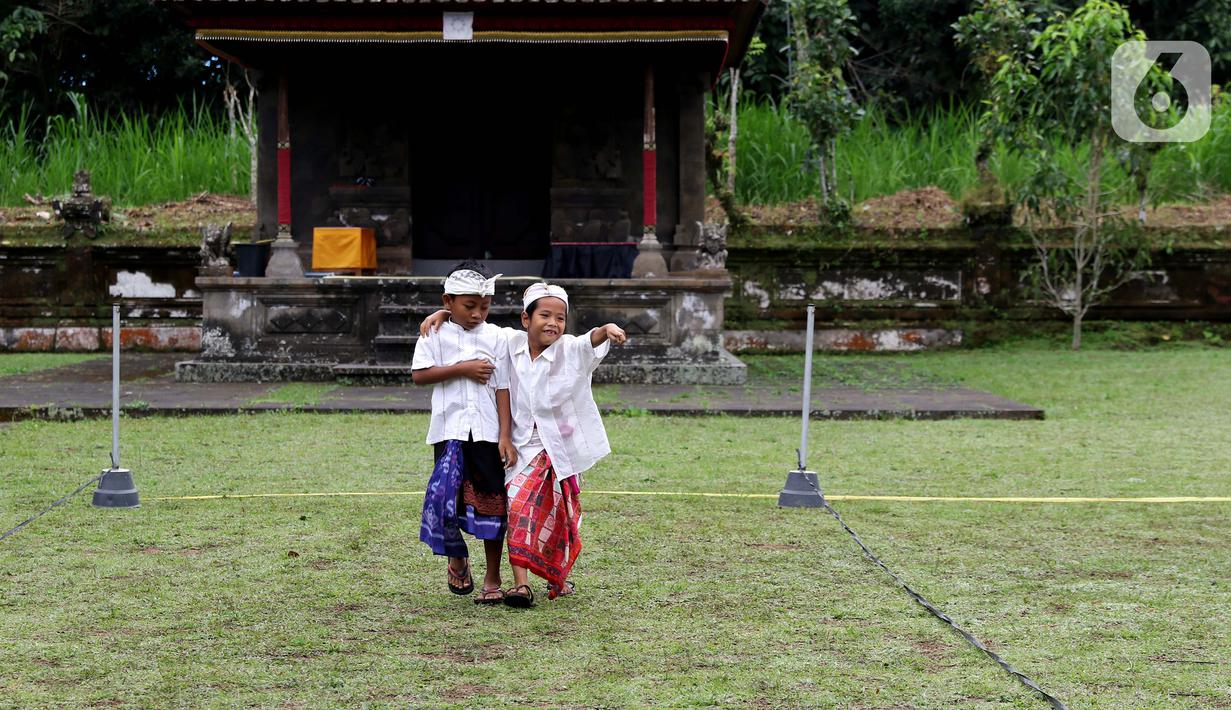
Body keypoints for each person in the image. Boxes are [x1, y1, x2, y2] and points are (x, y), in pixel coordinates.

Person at [421, 282, 627, 608]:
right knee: (517, 506)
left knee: (558, 515)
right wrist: (445, 312)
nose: (553, 324)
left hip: (559, 449)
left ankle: (554, 574)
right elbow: (475, 323)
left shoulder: (568, 349)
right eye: (544, 315)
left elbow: (591, 339)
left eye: (560, 318)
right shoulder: (509, 343)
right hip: (522, 448)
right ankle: (520, 585)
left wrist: (608, 329)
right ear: (525, 320)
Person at [411, 259, 518, 605]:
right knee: (444, 498)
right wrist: (462, 369)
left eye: (484, 307)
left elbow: (502, 387)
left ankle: (492, 576)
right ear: (448, 302)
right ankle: (456, 555)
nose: (477, 314)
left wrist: (504, 435)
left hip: (486, 432)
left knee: (492, 503)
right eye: (469, 306)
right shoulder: (435, 332)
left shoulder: (498, 336)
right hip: (449, 429)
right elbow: (420, 374)